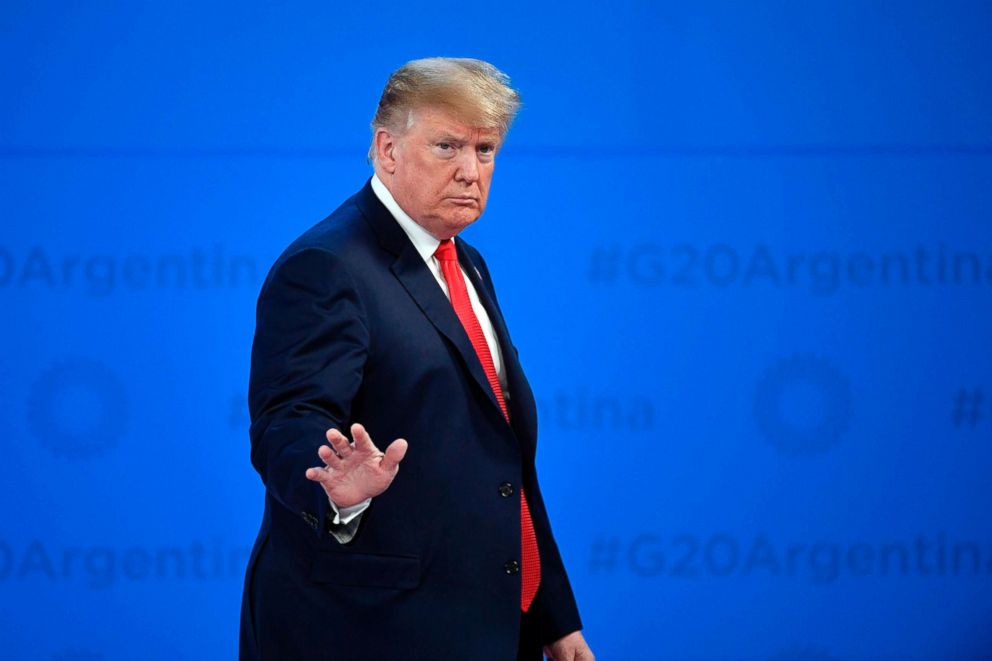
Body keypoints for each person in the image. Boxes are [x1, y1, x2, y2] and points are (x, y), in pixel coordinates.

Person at [239, 57, 594, 661]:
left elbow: (501, 464)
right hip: (366, 631)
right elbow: (288, 418)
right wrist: (337, 486)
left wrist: (554, 620)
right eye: (447, 145)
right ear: (387, 149)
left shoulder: (466, 262)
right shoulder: (326, 266)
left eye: (485, 150)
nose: (469, 171)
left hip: (486, 624)